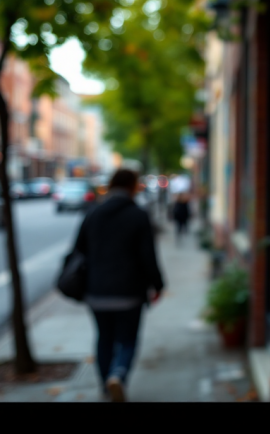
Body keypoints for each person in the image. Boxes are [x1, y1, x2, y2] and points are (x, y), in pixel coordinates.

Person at [72, 168, 165, 402]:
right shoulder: (138, 215)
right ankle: (119, 375)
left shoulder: (93, 213)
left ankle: (106, 385)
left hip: (96, 291)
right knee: (127, 339)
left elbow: (78, 251)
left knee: (104, 338)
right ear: (132, 187)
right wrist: (158, 285)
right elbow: (148, 256)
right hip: (129, 293)